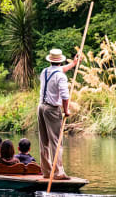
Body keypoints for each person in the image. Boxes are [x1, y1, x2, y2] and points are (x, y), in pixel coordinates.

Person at [38, 49, 80, 180]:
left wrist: (73, 64)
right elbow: (65, 96)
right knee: (56, 142)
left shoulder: (45, 71)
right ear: (60, 61)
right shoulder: (60, 76)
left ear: (50, 61)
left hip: (41, 107)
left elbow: (60, 70)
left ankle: (46, 171)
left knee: (44, 141)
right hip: (52, 110)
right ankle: (58, 173)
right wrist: (66, 111)